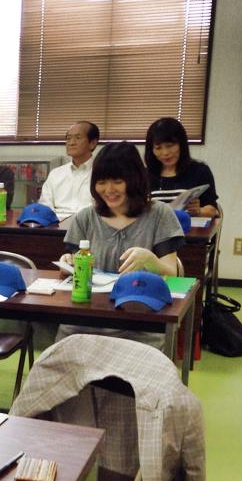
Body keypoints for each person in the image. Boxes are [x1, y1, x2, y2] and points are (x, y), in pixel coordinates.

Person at [58, 142, 184, 346]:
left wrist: (150, 260)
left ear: (134, 179)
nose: (108, 190)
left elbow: (174, 274)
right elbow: (73, 270)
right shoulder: (85, 217)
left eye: (117, 181)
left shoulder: (159, 214)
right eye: (101, 182)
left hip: (140, 322)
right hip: (85, 322)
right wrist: (68, 264)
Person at [144, 117, 219, 218]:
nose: (165, 153)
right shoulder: (144, 175)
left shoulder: (200, 171)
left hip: (188, 232)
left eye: (170, 146)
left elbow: (212, 210)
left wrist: (198, 211)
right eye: (158, 148)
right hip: (155, 232)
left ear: (181, 144)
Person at [38, 121, 100, 214]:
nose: (71, 143)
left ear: (92, 143)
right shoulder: (56, 174)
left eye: (78, 138)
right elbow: (45, 205)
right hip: (56, 224)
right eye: (68, 138)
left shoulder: (102, 173)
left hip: (89, 225)